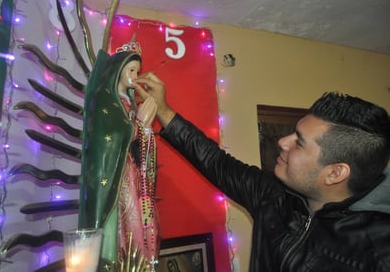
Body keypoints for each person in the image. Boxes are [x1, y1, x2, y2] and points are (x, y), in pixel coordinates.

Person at [132, 72, 390, 272]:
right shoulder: (274, 195)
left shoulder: (378, 252)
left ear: (336, 173)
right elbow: (216, 162)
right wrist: (162, 109)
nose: (282, 142)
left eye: (298, 142)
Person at [79, 47, 159, 271]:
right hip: (114, 174)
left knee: (135, 221)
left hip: (130, 173)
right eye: (131, 70)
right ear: (118, 70)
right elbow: (112, 135)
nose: (135, 76)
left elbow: (136, 143)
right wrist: (139, 124)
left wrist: (145, 131)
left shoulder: (129, 104)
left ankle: (137, 262)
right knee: (120, 225)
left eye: (137, 71)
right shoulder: (109, 102)